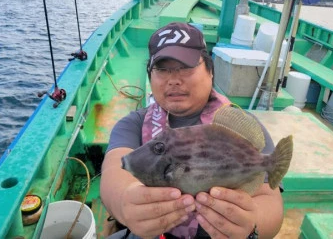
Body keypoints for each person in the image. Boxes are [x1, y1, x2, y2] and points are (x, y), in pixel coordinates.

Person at [100, 22, 284, 239]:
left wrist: (252, 224)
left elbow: (269, 201)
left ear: (210, 71)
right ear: (150, 75)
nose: (174, 80)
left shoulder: (240, 128)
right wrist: (124, 202)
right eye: (162, 69)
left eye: (185, 67)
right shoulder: (133, 124)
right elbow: (114, 170)